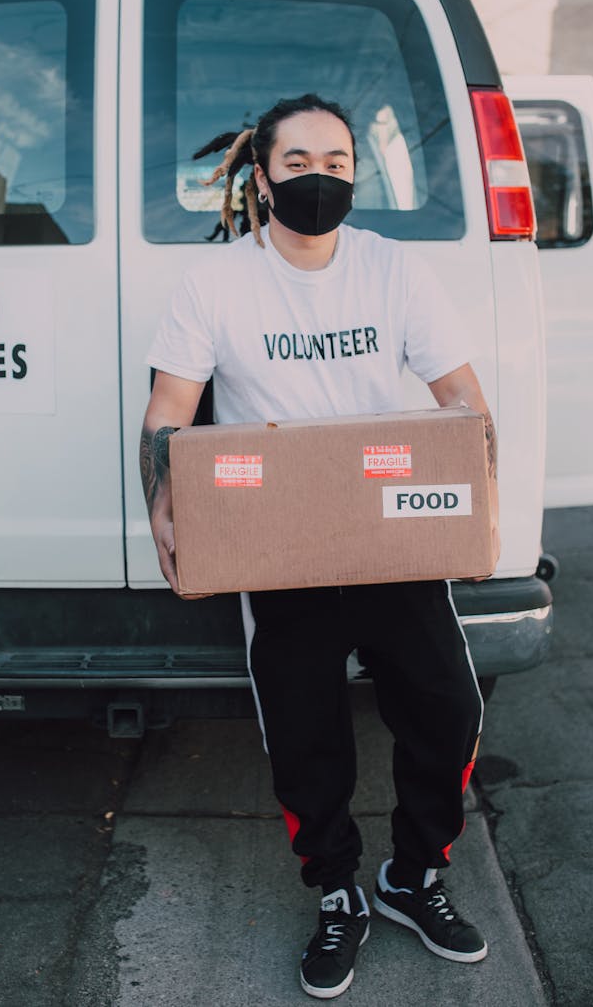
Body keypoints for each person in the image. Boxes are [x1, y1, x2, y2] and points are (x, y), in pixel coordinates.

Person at [140, 94, 500, 1000]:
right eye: (297, 163)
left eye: (336, 162)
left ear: (354, 173)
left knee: (448, 708)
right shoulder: (215, 283)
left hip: (391, 540)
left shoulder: (393, 270)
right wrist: (163, 505)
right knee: (307, 738)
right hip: (281, 548)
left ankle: (412, 878)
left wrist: (478, 499)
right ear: (262, 177)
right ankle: (338, 889)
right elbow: (168, 414)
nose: (319, 178)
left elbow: (464, 399)